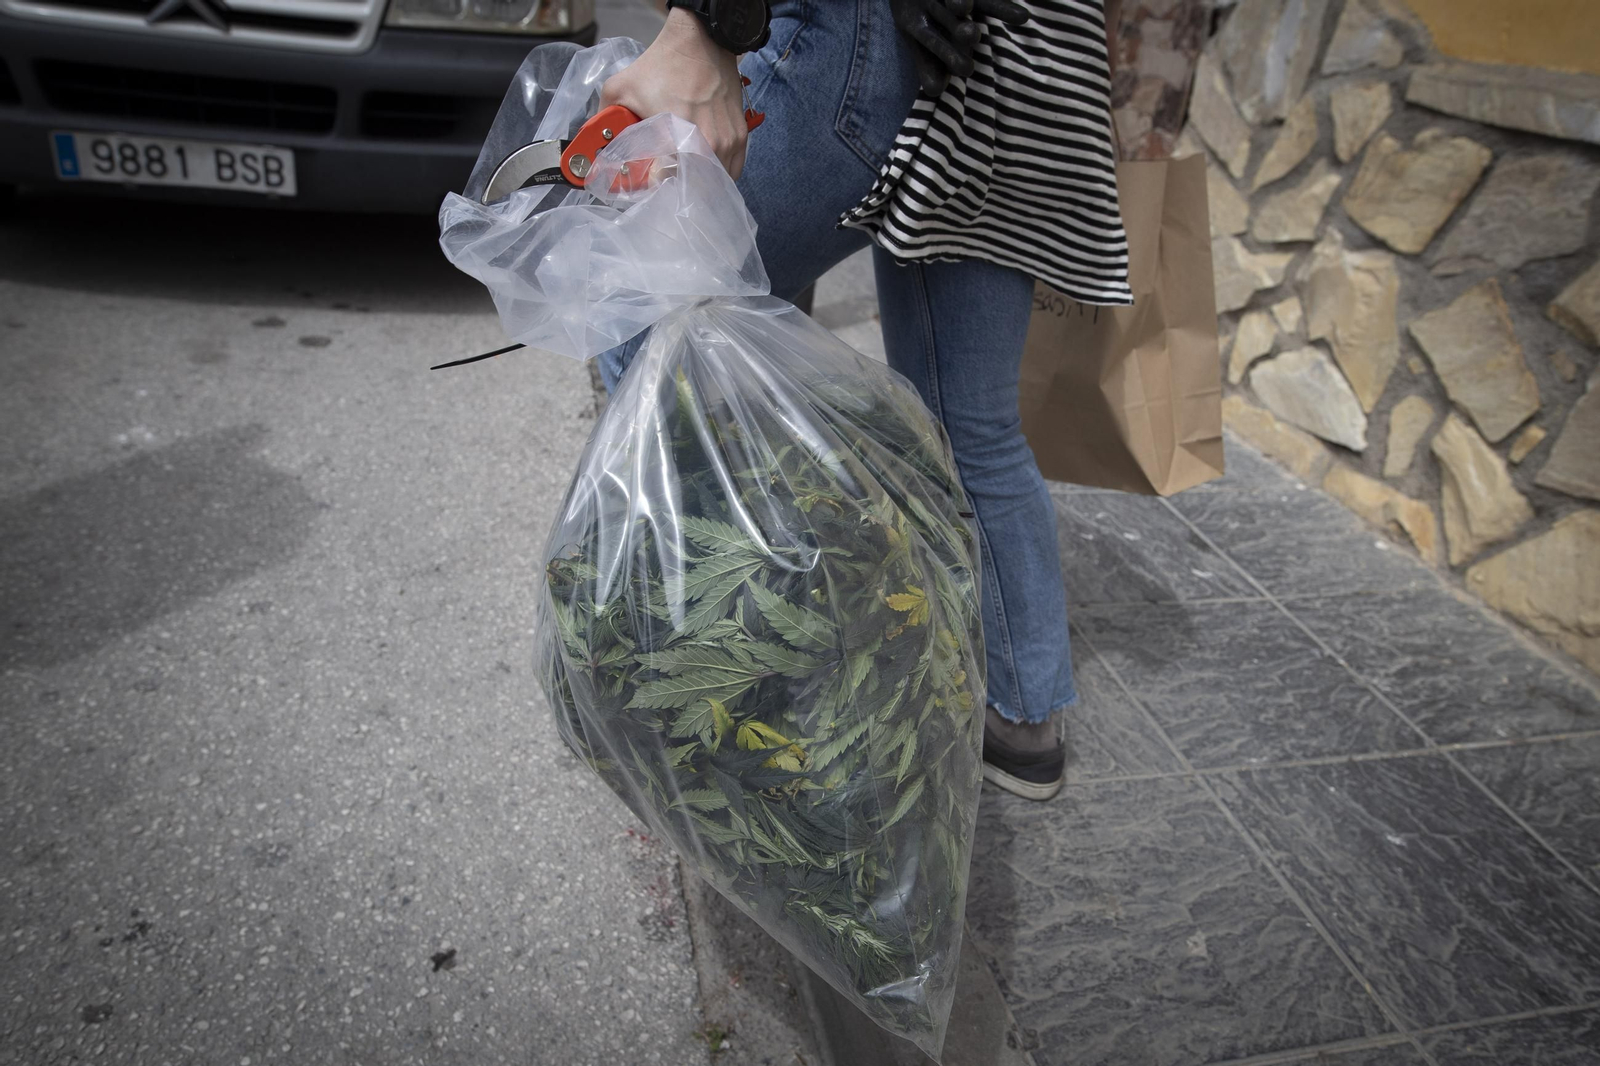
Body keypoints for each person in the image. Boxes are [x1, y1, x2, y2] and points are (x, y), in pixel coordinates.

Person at [596, 0, 1130, 801]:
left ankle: (727, 692)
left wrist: (705, 25)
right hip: (1033, 85)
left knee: (638, 313)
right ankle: (1025, 723)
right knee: (971, 423)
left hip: (914, 57)